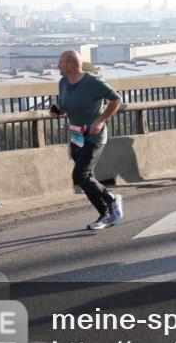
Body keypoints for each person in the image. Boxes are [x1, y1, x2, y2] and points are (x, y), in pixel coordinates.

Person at [52, 50, 124, 231]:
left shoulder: (92, 82)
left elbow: (116, 99)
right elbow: (66, 107)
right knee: (86, 179)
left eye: (60, 62)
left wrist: (100, 120)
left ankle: (111, 200)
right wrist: (57, 111)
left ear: (70, 64)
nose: (58, 65)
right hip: (76, 137)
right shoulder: (63, 83)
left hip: (94, 136)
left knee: (79, 175)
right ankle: (105, 215)